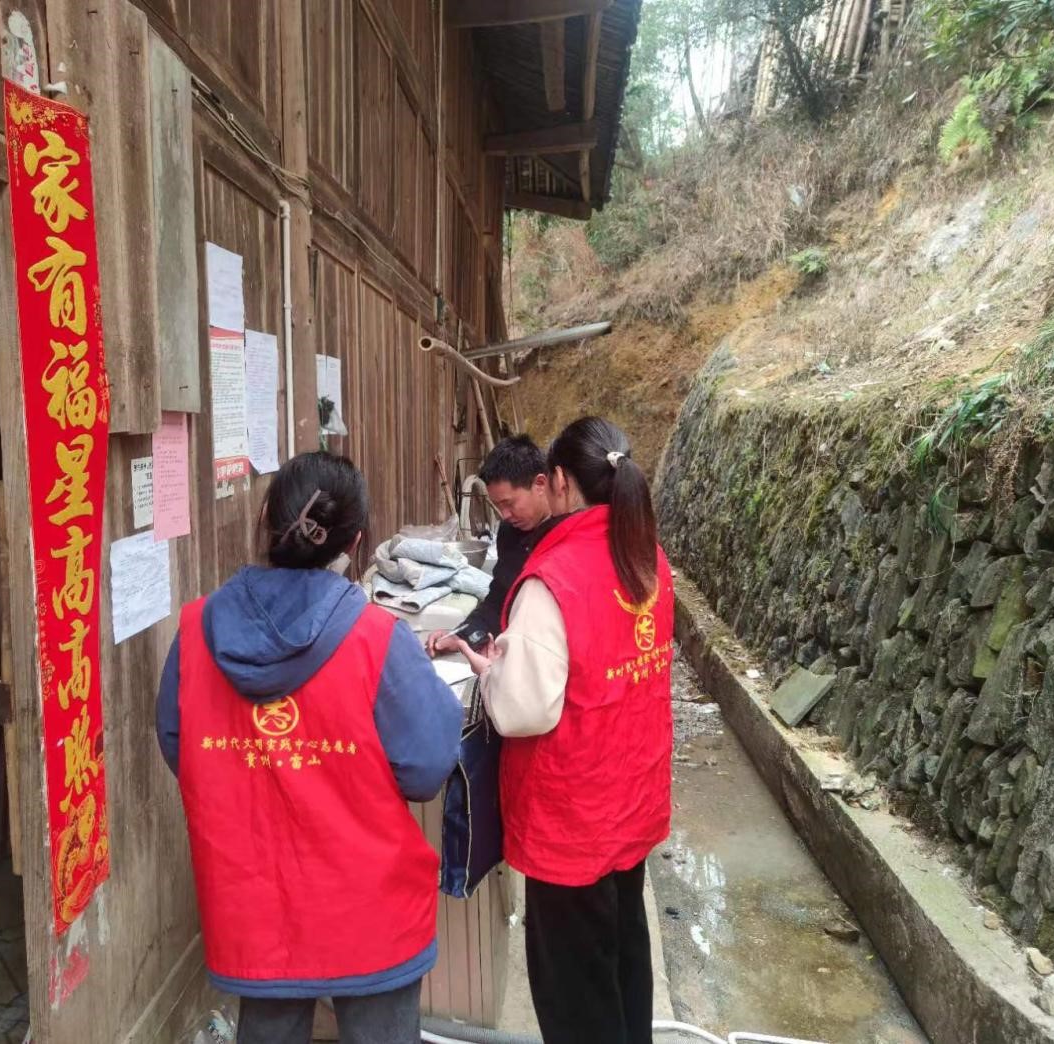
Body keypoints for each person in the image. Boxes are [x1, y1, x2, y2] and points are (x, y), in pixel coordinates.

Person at [156, 451, 464, 1044]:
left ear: (266, 517)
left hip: (253, 905)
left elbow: (180, 746)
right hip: (371, 911)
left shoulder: (195, 631)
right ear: (356, 541)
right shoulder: (377, 639)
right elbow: (427, 768)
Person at [457, 417, 674, 1044]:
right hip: (630, 802)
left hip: (571, 821)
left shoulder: (555, 578)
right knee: (624, 956)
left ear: (557, 480)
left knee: (576, 995)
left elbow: (524, 709)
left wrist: (491, 674)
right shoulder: (646, 556)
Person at [424, 434, 555, 657]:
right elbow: (499, 601)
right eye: (498, 506)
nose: (505, 515)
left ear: (540, 484)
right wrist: (461, 636)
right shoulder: (510, 533)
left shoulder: (570, 536)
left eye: (509, 503)